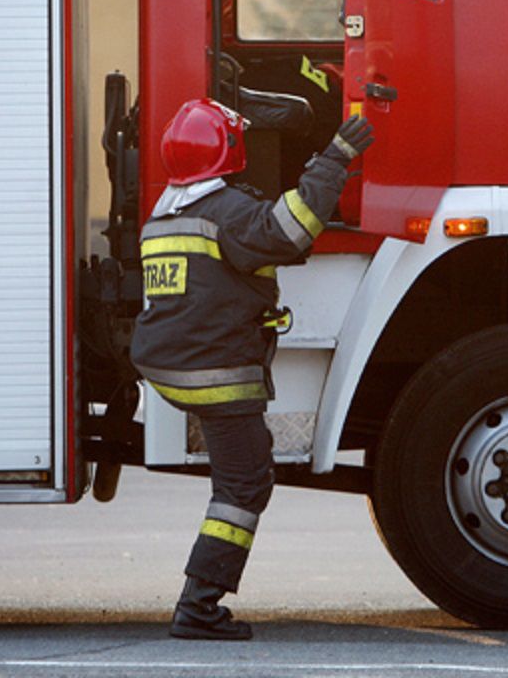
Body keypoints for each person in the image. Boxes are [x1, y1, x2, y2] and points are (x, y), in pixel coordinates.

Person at [130, 98, 372, 639]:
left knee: (243, 473)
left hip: (169, 366)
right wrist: (335, 158)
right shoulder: (228, 213)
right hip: (215, 372)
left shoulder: (163, 216)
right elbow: (293, 229)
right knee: (244, 483)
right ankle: (198, 606)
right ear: (229, 151)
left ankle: (200, 600)